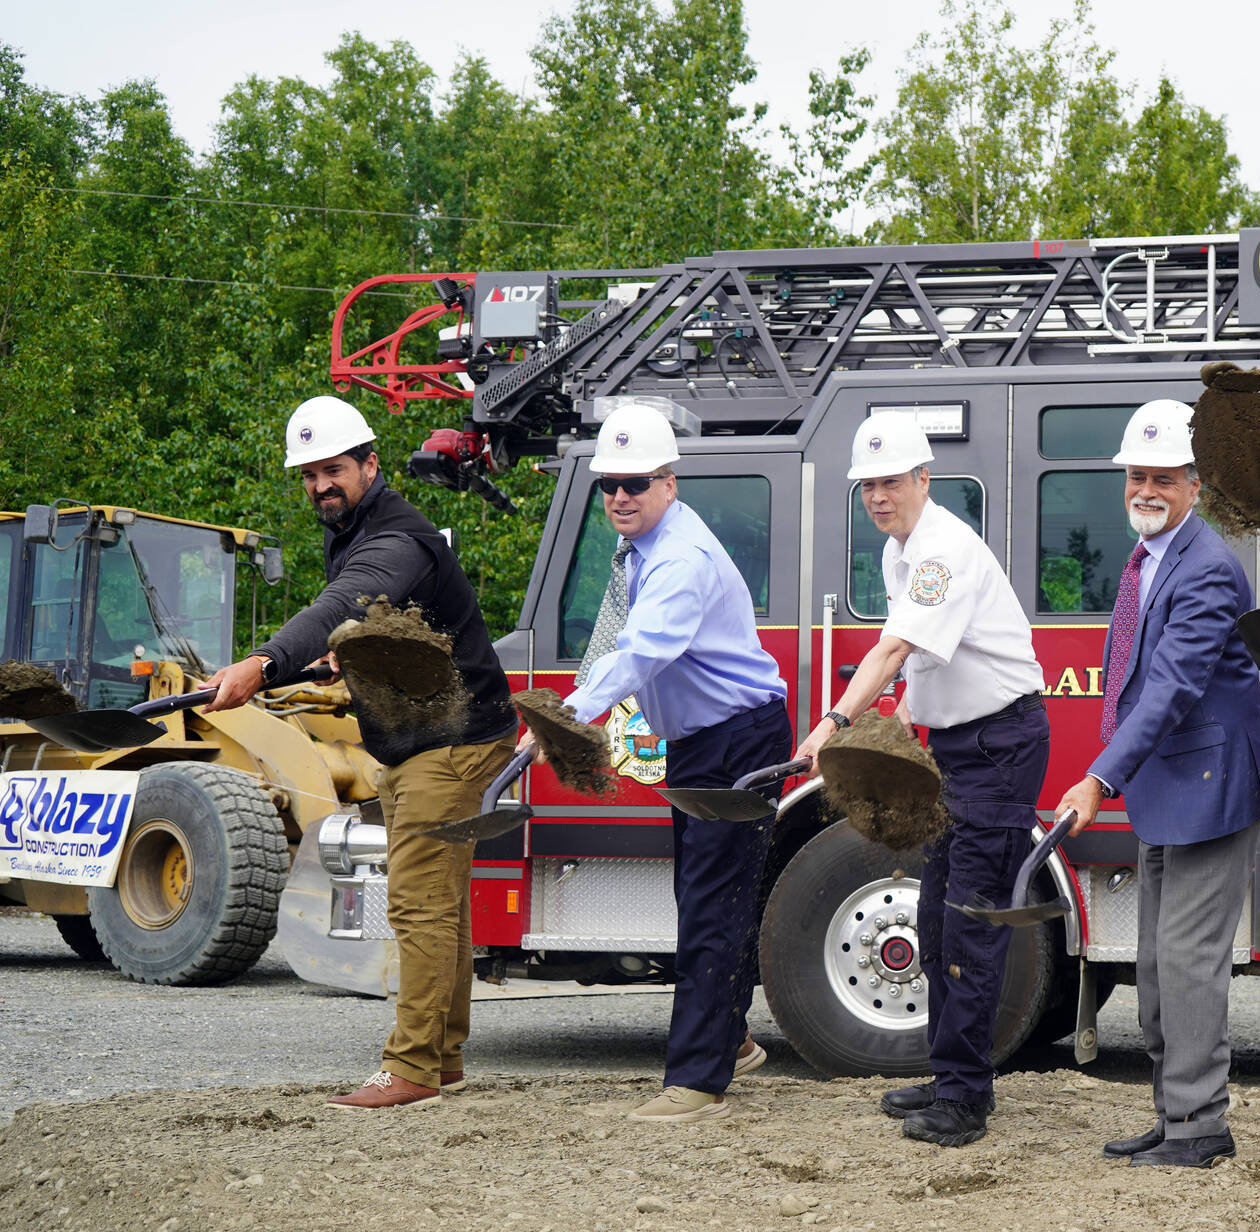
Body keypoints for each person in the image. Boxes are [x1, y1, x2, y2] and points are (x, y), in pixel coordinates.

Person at [205, 395, 516, 1110]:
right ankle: (443, 1058)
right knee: (444, 905)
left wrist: (263, 661)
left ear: (370, 463)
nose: (321, 485)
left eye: (334, 469)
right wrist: (338, 662)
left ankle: (410, 1069)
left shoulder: (393, 540)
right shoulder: (354, 527)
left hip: (455, 738)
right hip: (425, 734)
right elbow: (372, 622)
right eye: (310, 474)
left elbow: (342, 603)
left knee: (418, 905)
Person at [792, 411, 1048, 1148]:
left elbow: (895, 646)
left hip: (1000, 742)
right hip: (961, 745)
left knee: (970, 922)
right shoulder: (899, 554)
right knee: (935, 917)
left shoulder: (940, 552)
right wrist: (898, 723)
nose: (878, 496)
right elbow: (927, 663)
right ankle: (950, 1073)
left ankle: (966, 1100)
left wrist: (833, 726)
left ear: (923, 480)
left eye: (892, 481)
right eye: (868, 485)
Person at [547, 404, 791, 1124]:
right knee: (706, 898)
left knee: (713, 904)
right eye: (608, 485)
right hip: (705, 741)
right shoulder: (646, 549)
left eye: (635, 483)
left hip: (735, 741)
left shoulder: (679, 559)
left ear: (669, 484)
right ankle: (731, 1039)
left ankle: (697, 1080)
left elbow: (644, 650)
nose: (620, 496)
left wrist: (566, 715)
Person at [1051, 400, 1260, 1170]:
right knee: (1153, 966)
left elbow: (1173, 687)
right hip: (1168, 789)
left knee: (1186, 962)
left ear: (1195, 485)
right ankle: (1173, 1109)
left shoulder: (1207, 569)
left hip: (1211, 792)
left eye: (1162, 478)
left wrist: (1098, 776)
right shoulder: (1149, 559)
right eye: (1135, 476)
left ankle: (1200, 1125)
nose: (1144, 489)